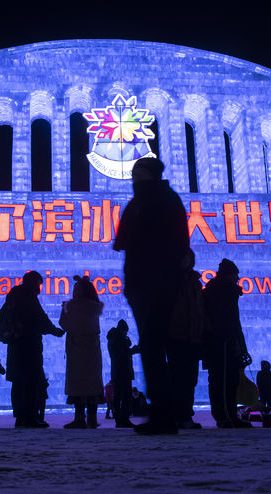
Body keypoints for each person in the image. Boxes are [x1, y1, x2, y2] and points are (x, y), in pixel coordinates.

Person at [113, 157, 188, 435]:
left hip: (154, 282)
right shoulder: (156, 200)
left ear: (147, 174)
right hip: (149, 283)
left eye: (137, 172)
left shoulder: (153, 201)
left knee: (154, 347)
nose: (133, 177)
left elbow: (126, 240)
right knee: (155, 347)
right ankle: (165, 412)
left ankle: (164, 415)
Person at [0, 271, 63, 428]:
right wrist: (55, 331)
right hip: (30, 347)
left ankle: (20, 416)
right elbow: (41, 319)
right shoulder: (28, 297)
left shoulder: (12, 297)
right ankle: (30, 417)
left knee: (18, 382)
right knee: (32, 382)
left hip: (15, 347)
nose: (40, 287)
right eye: (39, 283)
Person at [203, 258, 252, 428]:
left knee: (225, 380)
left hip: (221, 341)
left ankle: (227, 415)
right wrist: (236, 342)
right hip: (222, 341)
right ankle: (226, 416)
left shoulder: (216, 289)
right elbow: (230, 321)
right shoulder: (223, 291)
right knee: (223, 380)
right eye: (236, 274)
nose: (238, 278)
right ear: (230, 274)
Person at [167, 249, 206, 429]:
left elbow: (200, 311)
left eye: (188, 257)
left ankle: (185, 415)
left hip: (193, 336)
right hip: (176, 335)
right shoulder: (170, 281)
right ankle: (176, 414)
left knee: (190, 378)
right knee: (177, 377)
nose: (186, 261)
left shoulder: (196, 283)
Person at [60, 276, 105, 429]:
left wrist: (63, 310)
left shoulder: (72, 307)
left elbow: (65, 325)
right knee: (92, 384)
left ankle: (79, 418)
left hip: (76, 350)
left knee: (78, 385)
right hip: (92, 350)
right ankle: (92, 418)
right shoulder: (95, 307)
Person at [107, 319, 139, 428]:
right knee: (125, 396)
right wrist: (134, 349)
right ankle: (124, 419)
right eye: (125, 331)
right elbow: (124, 353)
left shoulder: (114, 338)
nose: (126, 333)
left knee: (118, 396)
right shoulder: (118, 339)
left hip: (117, 372)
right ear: (122, 330)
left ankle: (119, 419)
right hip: (123, 371)